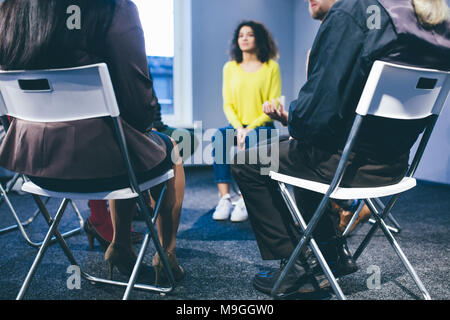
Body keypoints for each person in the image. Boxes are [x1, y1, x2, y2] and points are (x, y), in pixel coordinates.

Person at [232, 0, 450, 297]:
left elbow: (317, 117)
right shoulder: (432, 23)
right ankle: (331, 254)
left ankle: (298, 267)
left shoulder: (352, 13)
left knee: (248, 160)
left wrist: (293, 117)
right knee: (305, 146)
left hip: (345, 166)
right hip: (395, 167)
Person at [0, 0, 185, 284]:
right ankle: (165, 256)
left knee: (121, 144)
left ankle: (120, 247)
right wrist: (146, 122)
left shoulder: (11, 9)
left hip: (34, 167)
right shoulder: (112, 7)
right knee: (166, 148)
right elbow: (138, 107)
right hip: (100, 163)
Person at [212, 20, 281, 222]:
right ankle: (224, 198)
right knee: (219, 137)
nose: (244, 38)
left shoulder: (271, 68)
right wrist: (239, 128)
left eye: (249, 34)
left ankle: (244, 199)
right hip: (238, 126)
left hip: (263, 126)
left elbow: (272, 106)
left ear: (259, 39)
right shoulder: (230, 68)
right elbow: (228, 104)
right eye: (241, 35)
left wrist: (249, 128)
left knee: (251, 143)